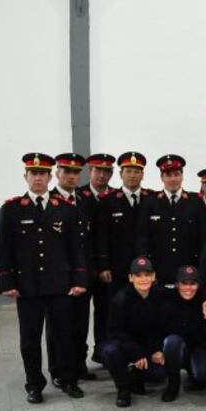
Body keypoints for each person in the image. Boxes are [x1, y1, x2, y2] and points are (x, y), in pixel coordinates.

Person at [0, 153, 88, 403]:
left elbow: (75, 249)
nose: (38, 178)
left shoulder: (66, 209)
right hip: (27, 288)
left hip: (60, 285)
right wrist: (7, 282)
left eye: (42, 173)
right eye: (33, 173)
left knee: (64, 335)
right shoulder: (12, 208)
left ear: (50, 177)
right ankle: (34, 384)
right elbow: (4, 249)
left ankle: (68, 379)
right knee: (30, 339)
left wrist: (79, 280)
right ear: (25, 176)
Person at [100, 257, 180, 407]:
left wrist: (157, 349)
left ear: (154, 276)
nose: (143, 279)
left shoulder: (161, 295)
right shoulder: (120, 300)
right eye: (138, 275)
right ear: (131, 278)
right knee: (110, 351)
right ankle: (123, 390)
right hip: (126, 346)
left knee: (158, 375)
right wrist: (136, 352)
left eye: (147, 275)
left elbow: (166, 326)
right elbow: (114, 333)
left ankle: (135, 376)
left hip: (149, 347)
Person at [48, 152, 97, 383]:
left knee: (79, 323)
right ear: (57, 173)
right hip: (58, 276)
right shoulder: (49, 200)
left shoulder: (86, 199)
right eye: (66, 171)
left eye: (76, 172)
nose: (71, 176)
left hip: (82, 273)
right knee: (58, 326)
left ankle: (78, 366)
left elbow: (91, 238)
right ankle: (58, 371)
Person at [135, 154, 205, 285]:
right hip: (159, 269)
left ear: (182, 176)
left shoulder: (195, 201)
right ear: (161, 177)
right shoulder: (150, 202)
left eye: (176, 174)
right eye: (168, 175)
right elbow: (142, 236)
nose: (173, 179)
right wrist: (145, 267)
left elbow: (203, 237)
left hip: (189, 269)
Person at [78, 153, 115, 366]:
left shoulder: (115, 197)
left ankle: (102, 353)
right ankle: (78, 362)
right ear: (89, 171)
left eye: (106, 171)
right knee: (79, 318)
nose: (101, 175)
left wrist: (105, 265)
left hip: (108, 268)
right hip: (83, 268)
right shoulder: (78, 196)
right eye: (97, 170)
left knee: (106, 312)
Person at [96, 151, 149, 297]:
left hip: (145, 266)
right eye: (128, 171)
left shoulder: (151, 198)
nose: (132, 175)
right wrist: (103, 266)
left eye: (137, 171)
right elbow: (102, 236)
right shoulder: (107, 201)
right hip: (117, 266)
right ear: (120, 174)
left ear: (142, 175)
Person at [164, 265, 206, 392]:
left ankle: (193, 369)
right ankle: (173, 384)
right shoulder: (168, 301)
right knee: (172, 341)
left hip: (200, 346)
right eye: (184, 283)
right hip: (178, 345)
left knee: (202, 376)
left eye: (192, 283)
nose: (188, 288)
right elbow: (165, 331)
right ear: (177, 284)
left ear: (198, 285)